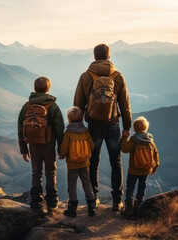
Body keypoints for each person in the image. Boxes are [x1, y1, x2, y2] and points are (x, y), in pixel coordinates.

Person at [74, 43, 132, 211]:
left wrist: (78, 125)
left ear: (94, 56)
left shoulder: (86, 76)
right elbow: (125, 105)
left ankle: (93, 200)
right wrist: (127, 127)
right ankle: (117, 201)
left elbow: (78, 104)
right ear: (109, 56)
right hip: (113, 125)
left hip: (93, 126)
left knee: (92, 163)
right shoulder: (118, 76)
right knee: (116, 163)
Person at [18, 76, 64, 214]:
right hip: (49, 145)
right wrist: (61, 148)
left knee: (36, 173)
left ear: (34, 89)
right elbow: (59, 129)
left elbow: (21, 128)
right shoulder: (53, 106)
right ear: (48, 89)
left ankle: (36, 203)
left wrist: (23, 149)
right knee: (51, 172)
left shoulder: (27, 106)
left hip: (33, 145)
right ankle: (52, 202)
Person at [59, 106, 96, 217]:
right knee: (87, 183)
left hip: (72, 164)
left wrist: (61, 155)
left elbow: (64, 148)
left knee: (72, 185)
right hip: (85, 163)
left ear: (69, 119)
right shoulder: (85, 132)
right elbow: (92, 146)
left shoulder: (68, 133)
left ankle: (72, 209)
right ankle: (92, 207)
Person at [120, 116, 159, 216]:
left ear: (134, 128)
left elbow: (124, 149)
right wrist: (154, 167)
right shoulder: (151, 141)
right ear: (146, 128)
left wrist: (124, 137)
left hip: (133, 169)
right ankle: (139, 207)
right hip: (146, 170)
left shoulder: (134, 140)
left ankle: (129, 209)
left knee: (130, 187)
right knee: (142, 187)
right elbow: (155, 154)